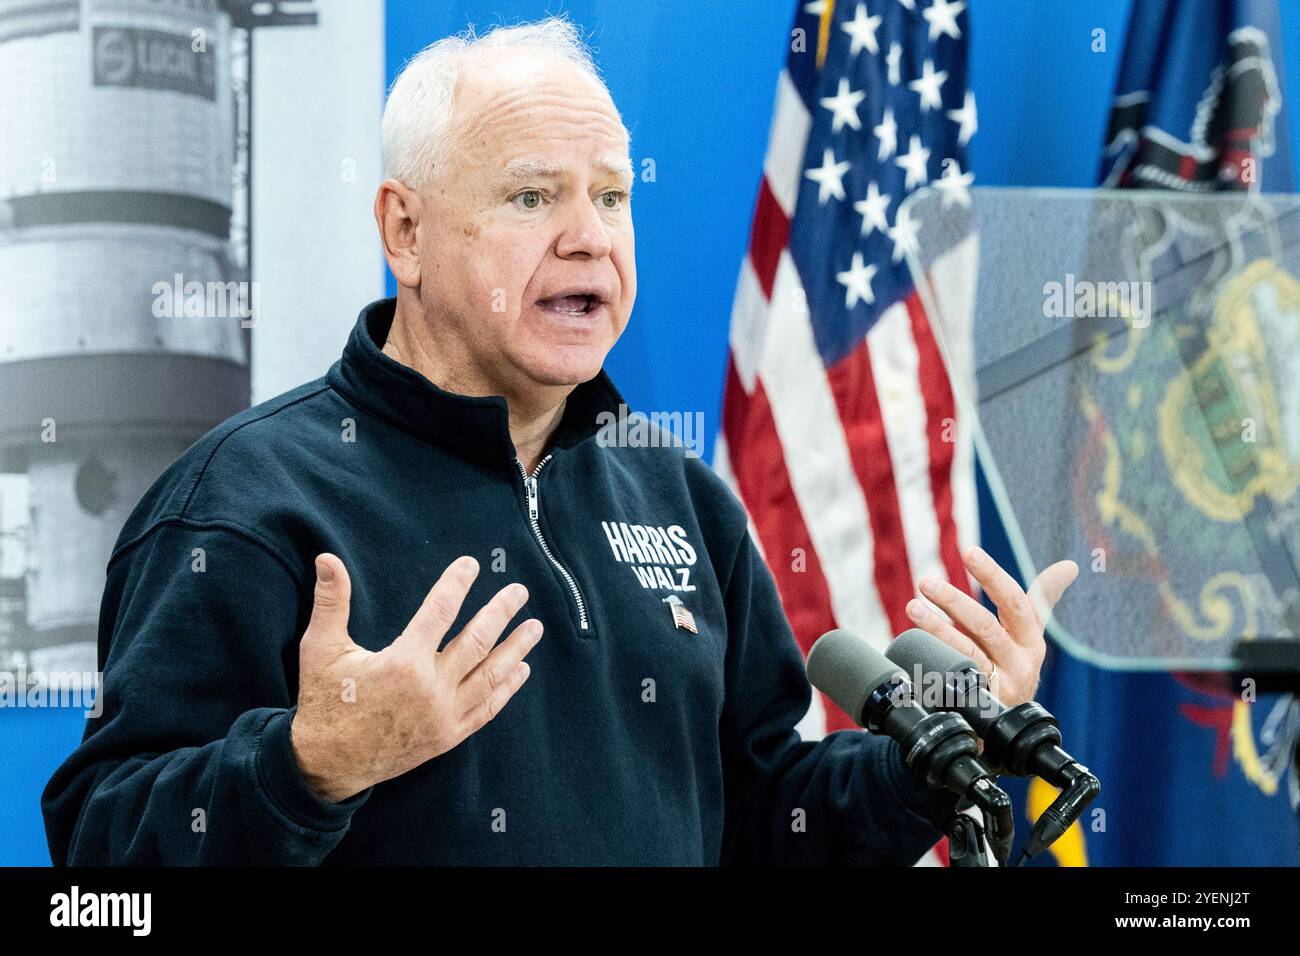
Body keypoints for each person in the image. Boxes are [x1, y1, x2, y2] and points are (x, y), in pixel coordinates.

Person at [42, 16, 1077, 865]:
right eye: (533, 195)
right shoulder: (245, 501)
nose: (590, 234)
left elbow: (766, 818)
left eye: (613, 195)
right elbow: (97, 857)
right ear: (405, 230)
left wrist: (928, 758)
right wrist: (305, 767)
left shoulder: (679, 497)